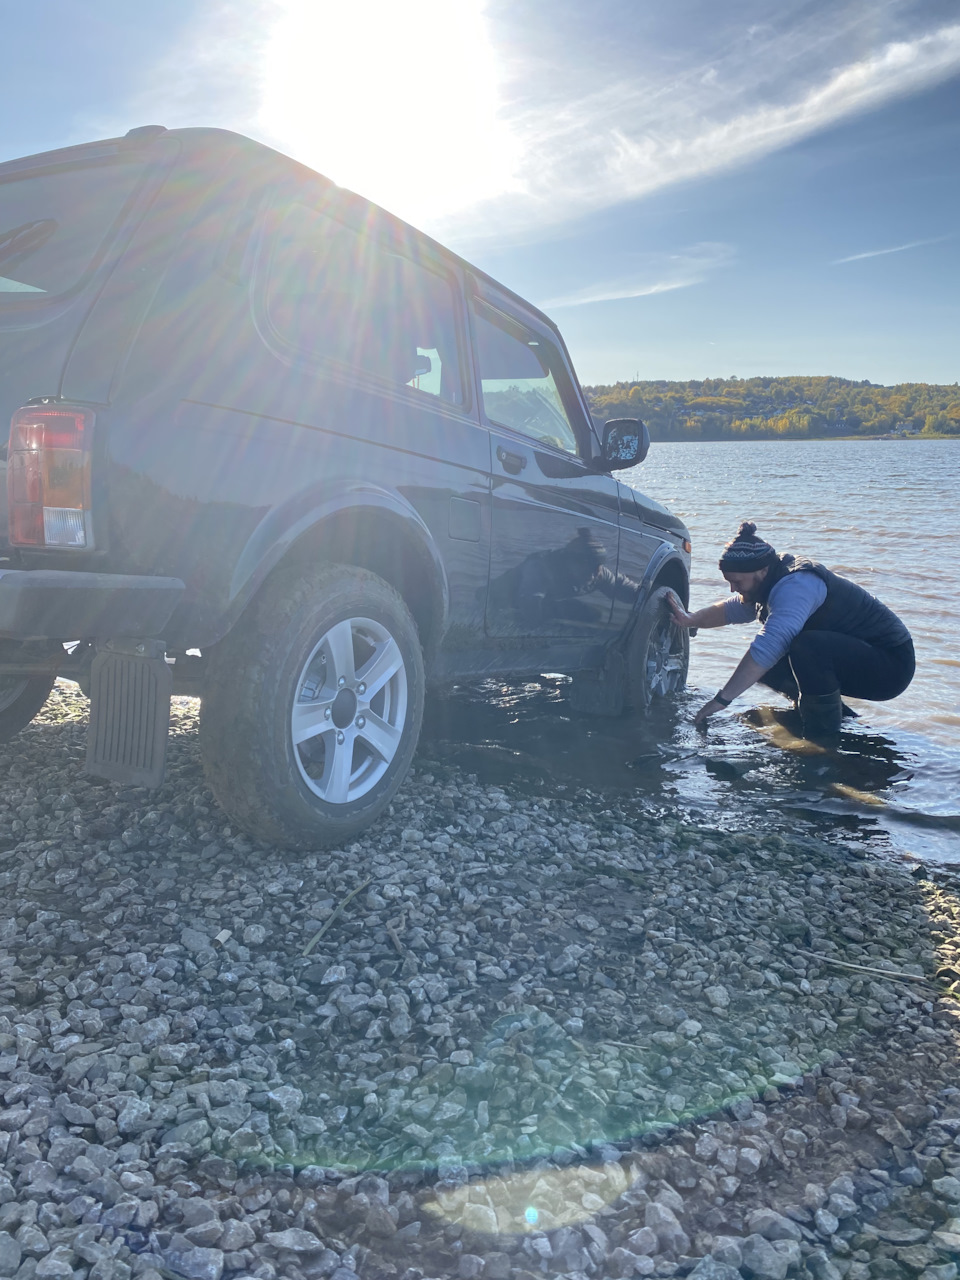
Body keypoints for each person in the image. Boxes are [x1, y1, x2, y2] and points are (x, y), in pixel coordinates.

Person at [668, 521, 915, 738]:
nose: (733, 589)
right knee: (765, 667)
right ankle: (830, 717)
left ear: (761, 571)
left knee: (804, 648)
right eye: (729, 582)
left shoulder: (796, 585)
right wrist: (691, 619)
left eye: (737, 582)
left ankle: (823, 740)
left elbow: (769, 644)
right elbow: (733, 610)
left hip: (891, 666)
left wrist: (720, 701)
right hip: (857, 656)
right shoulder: (768, 577)